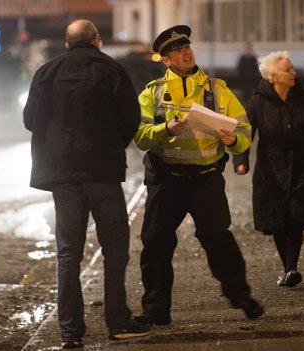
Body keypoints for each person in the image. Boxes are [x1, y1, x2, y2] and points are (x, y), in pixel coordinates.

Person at [23, 19, 150, 348]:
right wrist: (111, 146)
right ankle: (118, 322)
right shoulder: (112, 70)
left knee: (68, 253)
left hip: (64, 176)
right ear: (97, 40)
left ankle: (70, 332)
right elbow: (130, 119)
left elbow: (29, 119)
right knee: (115, 250)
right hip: (103, 173)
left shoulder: (46, 72)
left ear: (66, 43)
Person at [133, 25, 264, 326]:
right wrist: (164, 129)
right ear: (166, 60)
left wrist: (233, 141)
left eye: (187, 47)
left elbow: (243, 131)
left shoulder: (217, 89)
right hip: (167, 179)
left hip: (205, 178)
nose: (186, 52)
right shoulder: (151, 93)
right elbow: (140, 137)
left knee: (218, 239)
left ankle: (241, 297)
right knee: (155, 242)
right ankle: (156, 309)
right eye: (178, 50)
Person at [233, 51, 304, 288]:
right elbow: (244, 133)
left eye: (292, 68)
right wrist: (241, 161)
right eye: (288, 69)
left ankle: (292, 267)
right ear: (273, 76)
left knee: (296, 218)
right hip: (271, 171)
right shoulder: (257, 102)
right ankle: (287, 268)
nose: (293, 72)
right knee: (278, 220)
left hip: (302, 168)